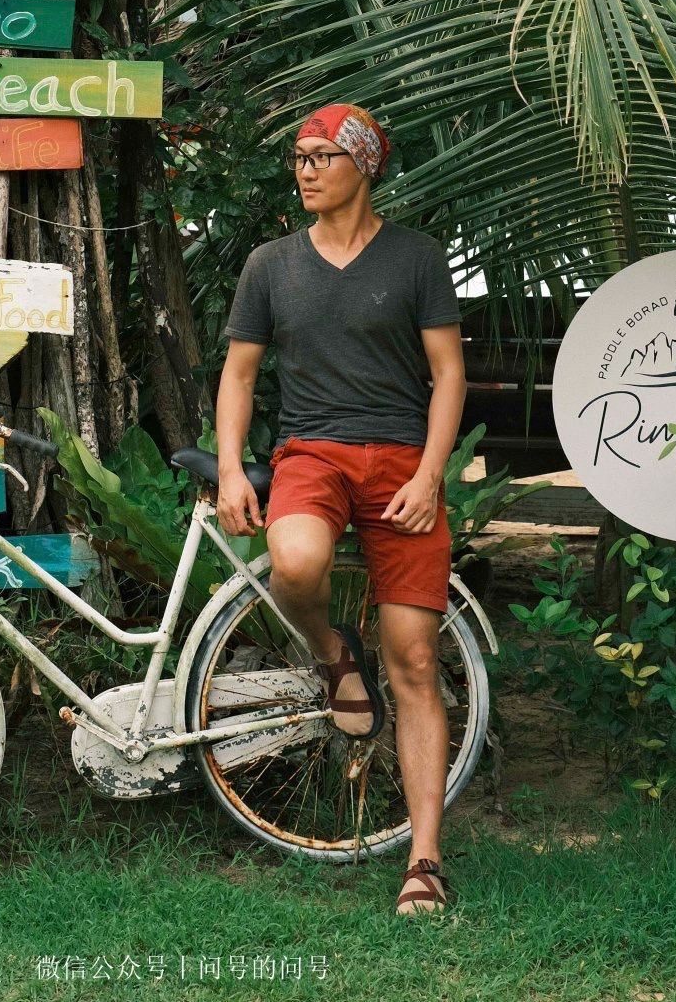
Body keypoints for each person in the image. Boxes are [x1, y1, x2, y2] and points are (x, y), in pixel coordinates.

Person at [215, 102, 466, 916]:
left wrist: (431, 474)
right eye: (299, 156)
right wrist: (231, 467)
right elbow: (242, 375)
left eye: (323, 155)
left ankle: (424, 859)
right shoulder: (270, 264)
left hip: (400, 460)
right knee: (293, 561)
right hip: (312, 453)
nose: (306, 168)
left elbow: (448, 374)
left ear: (364, 164)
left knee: (416, 660)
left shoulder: (417, 257)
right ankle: (331, 654)